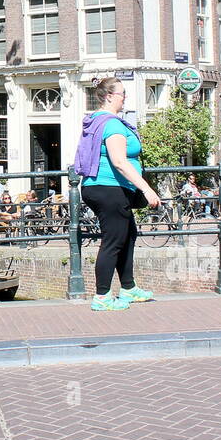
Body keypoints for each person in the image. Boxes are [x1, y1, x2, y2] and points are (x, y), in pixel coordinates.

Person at [72, 76, 161, 311]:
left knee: (127, 235)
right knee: (112, 241)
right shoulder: (111, 124)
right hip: (109, 189)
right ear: (110, 96)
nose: (125, 98)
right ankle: (102, 297)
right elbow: (120, 161)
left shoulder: (97, 121)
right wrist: (146, 188)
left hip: (102, 188)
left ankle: (129, 288)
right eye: (123, 94)